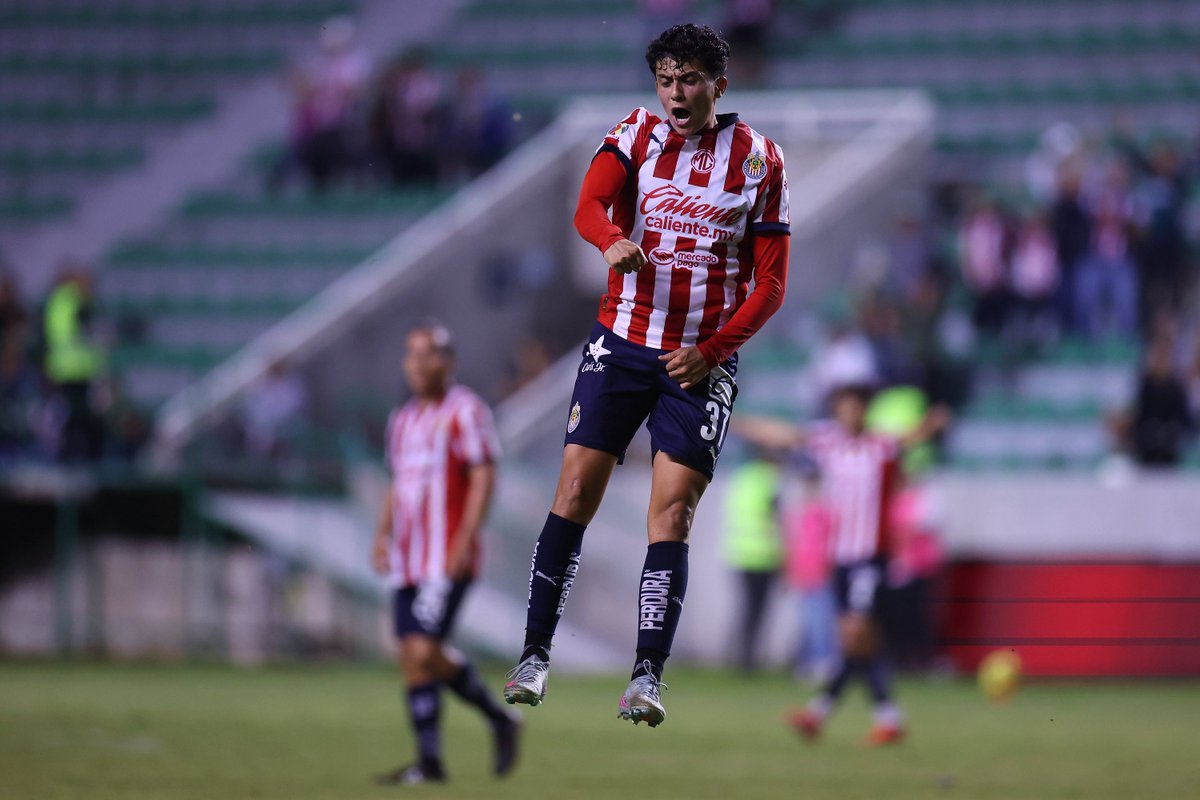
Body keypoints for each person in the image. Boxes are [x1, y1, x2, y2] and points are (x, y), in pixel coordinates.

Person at [502, 23, 790, 728]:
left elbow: (771, 284)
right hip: (622, 343)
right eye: (666, 80)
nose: (675, 94)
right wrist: (611, 240)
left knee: (673, 513)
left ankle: (646, 675)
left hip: (699, 362)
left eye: (689, 80)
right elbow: (587, 207)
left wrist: (715, 350)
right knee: (574, 490)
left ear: (718, 86)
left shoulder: (759, 161)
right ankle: (534, 655)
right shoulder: (634, 134)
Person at [735, 384, 948, 745]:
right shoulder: (826, 442)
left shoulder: (881, 445)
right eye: (843, 409)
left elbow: (914, 435)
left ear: (865, 411)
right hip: (839, 559)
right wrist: (735, 420)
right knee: (861, 643)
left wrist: (936, 420)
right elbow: (785, 434)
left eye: (855, 408)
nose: (849, 415)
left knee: (854, 634)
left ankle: (823, 713)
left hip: (869, 557)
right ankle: (883, 718)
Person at [371, 322, 521, 785]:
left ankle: (495, 721)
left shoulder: (465, 410)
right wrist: (382, 534)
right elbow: (398, 483)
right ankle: (433, 761)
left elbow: (483, 475)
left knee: (421, 648)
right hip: (408, 558)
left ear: (448, 361)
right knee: (413, 657)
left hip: (445, 556)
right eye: (412, 354)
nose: (419, 363)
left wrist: (464, 539)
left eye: (429, 354)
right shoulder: (403, 419)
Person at [720, 450, 784, 674]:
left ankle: (738, 656)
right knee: (757, 612)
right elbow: (776, 516)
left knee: (745, 610)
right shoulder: (770, 479)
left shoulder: (741, 478)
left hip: (739, 553)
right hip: (763, 555)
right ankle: (748, 660)